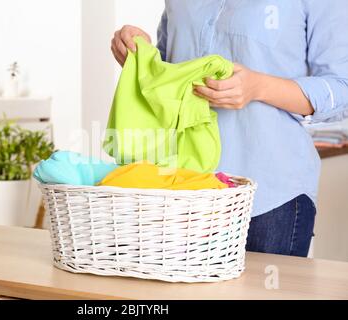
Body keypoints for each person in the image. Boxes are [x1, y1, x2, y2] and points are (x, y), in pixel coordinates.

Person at [110, 0, 348, 257]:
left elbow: (341, 87)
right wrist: (140, 57)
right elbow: (170, 72)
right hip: (183, 189)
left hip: (269, 197)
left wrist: (259, 87)